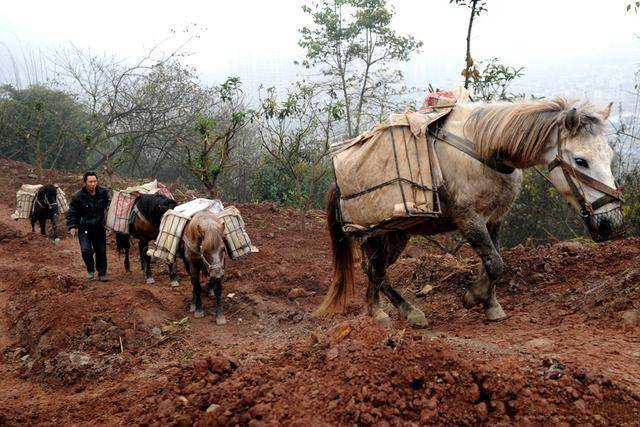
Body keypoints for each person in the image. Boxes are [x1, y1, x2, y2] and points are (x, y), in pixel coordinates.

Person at [67, 171, 110, 281]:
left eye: (95, 181)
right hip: (84, 228)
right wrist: (72, 226)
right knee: (86, 250)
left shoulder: (103, 192)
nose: (93, 184)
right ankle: (90, 269)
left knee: (101, 250)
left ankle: (102, 273)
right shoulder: (78, 196)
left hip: (99, 227)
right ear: (85, 182)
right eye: (90, 182)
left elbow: (109, 206)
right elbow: (72, 212)